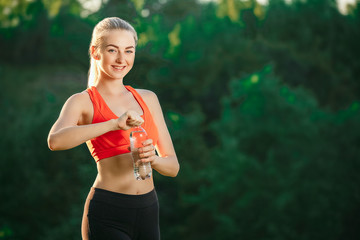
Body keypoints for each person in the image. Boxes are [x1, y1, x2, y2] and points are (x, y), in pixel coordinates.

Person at [47, 17, 179, 240]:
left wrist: (152, 159)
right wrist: (113, 124)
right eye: (112, 50)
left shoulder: (148, 98)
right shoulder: (82, 102)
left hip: (149, 209)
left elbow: (173, 167)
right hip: (108, 213)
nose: (121, 59)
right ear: (95, 52)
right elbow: (55, 141)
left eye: (129, 51)